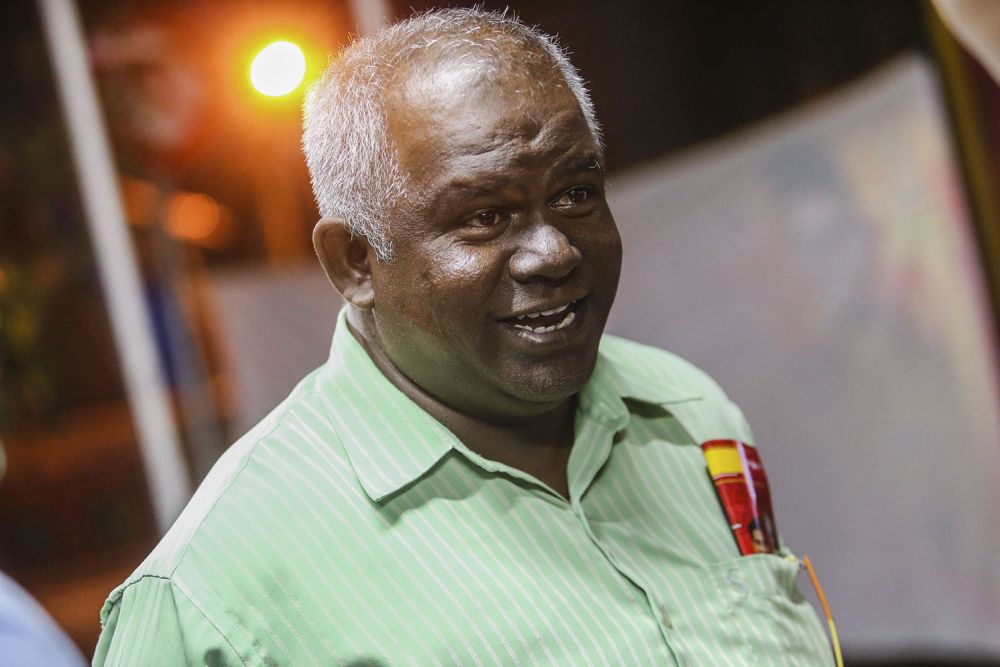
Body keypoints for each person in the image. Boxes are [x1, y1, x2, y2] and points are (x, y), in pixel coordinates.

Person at [94, 8, 833, 665]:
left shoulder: (687, 415)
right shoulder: (213, 592)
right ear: (355, 261)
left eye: (576, 194)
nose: (554, 251)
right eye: (484, 215)